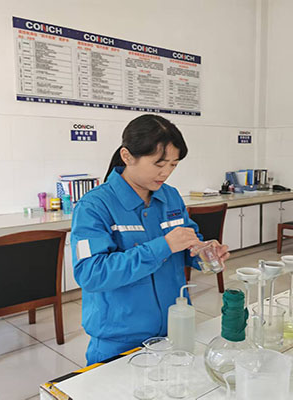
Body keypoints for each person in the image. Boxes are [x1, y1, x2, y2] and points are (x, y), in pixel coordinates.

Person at [70, 114, 229, 365]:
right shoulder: (94, 206)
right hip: (120, 338)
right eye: (159, 164)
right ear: (127, 156)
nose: (166, 173)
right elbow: (91, 274)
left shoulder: (170, 197)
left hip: (174, 328)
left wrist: (204, 253)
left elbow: (189, 242)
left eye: (173, 165)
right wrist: (163, 246)